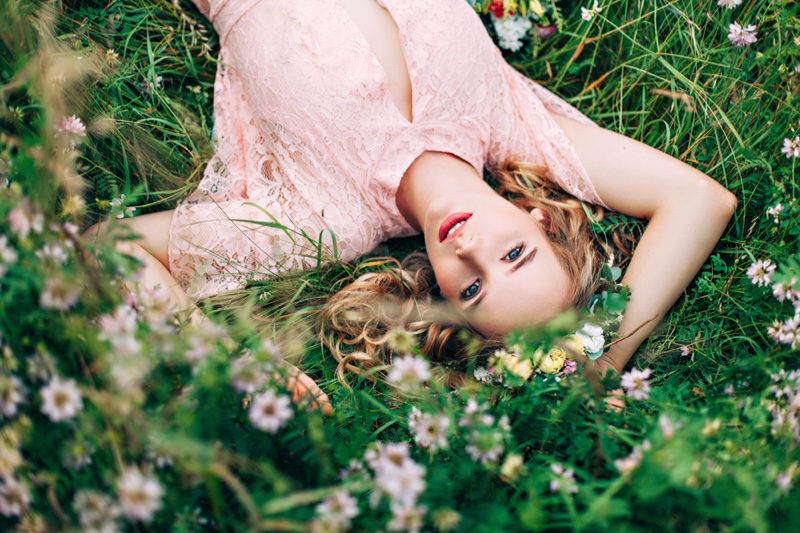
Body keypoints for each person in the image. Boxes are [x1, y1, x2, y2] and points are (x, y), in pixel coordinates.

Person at [86, 0, 736, 401]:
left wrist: (223, 361)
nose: (471, 247)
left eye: (474, 287)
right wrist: (598, 364)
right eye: (513, 252)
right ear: (535, 216)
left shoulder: (323, 218)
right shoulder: (509, 126)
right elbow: (699, 199)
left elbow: (111, 252)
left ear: (445, 296)